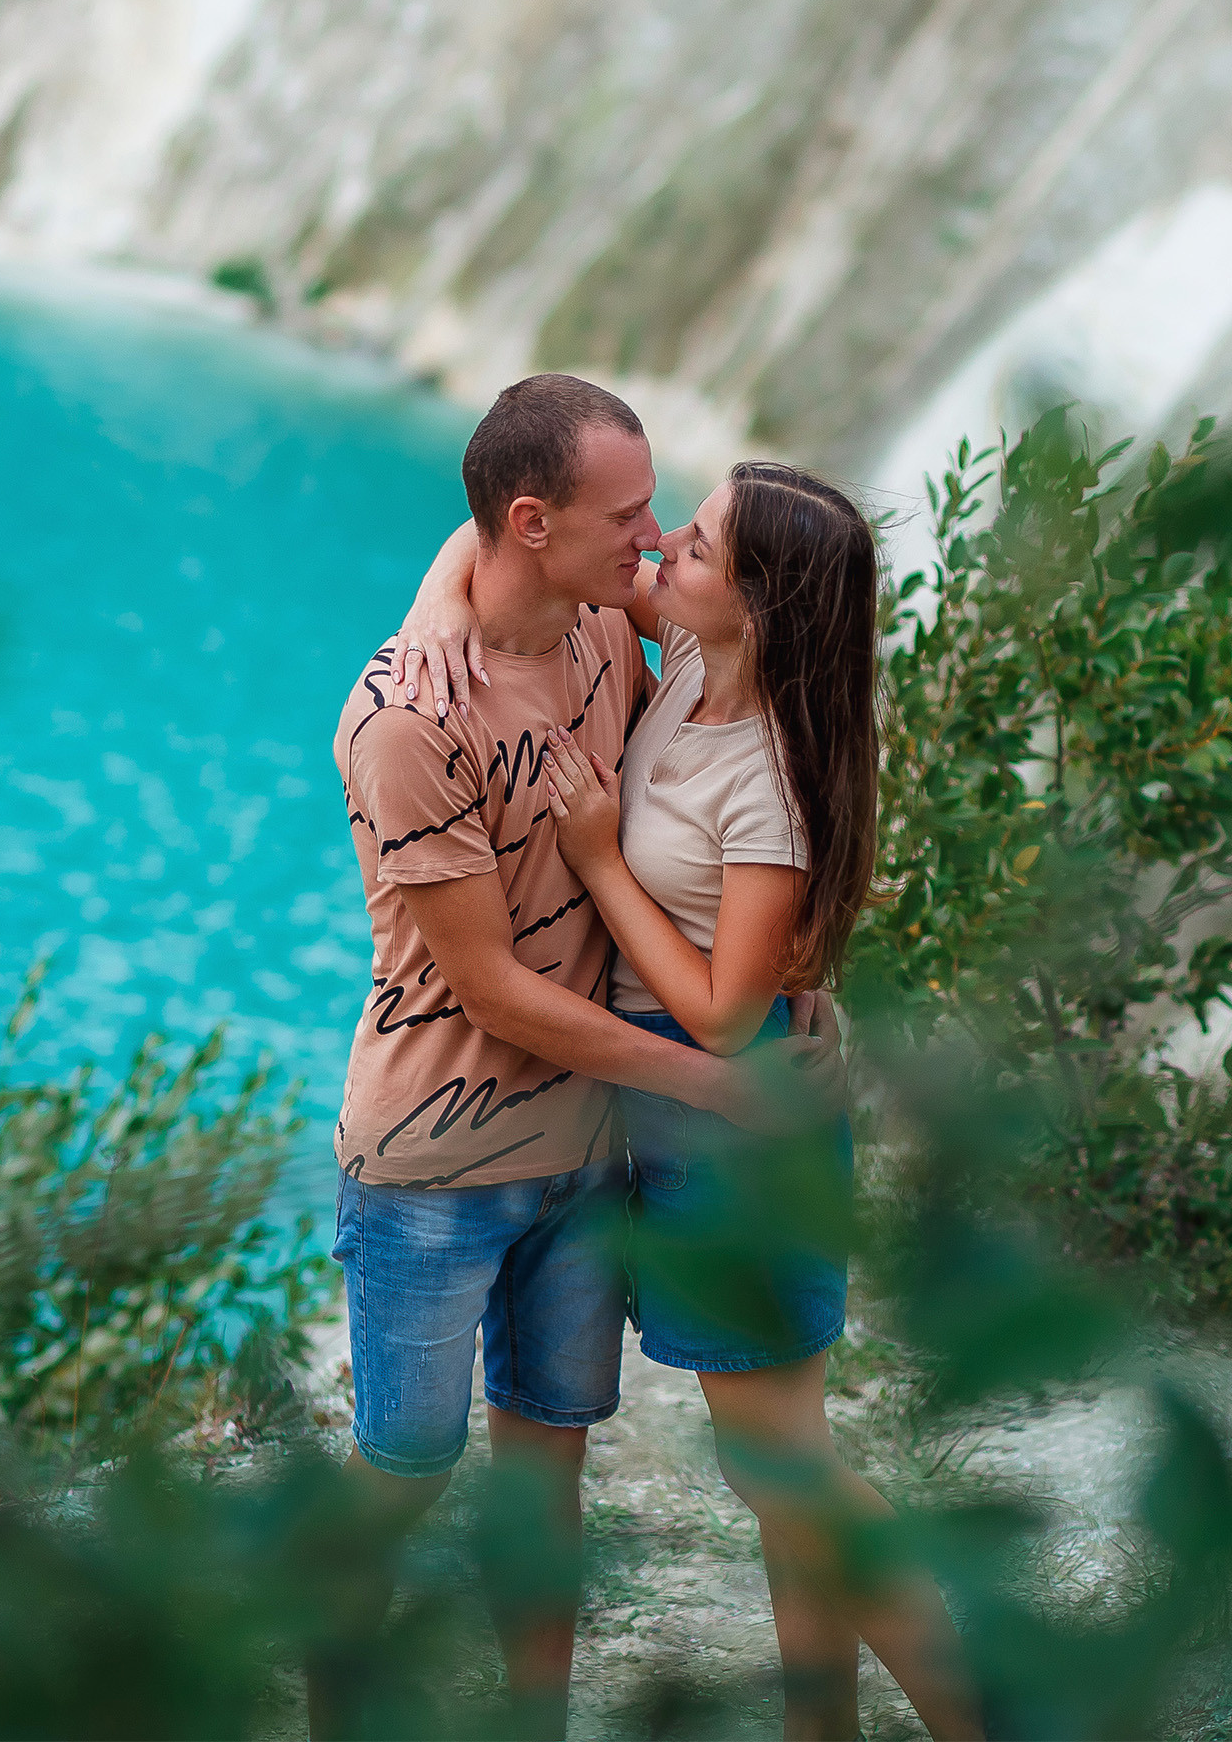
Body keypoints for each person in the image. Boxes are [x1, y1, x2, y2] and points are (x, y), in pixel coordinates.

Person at [397, 461, 983, 1742]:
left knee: (785, 1466)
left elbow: (721, 1010)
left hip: (730, 1114)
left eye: (700, 544)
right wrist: (438, 610)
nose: (663, 546)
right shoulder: (693, 663)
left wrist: (601, 859)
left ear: (757, 608)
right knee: (780, 1472)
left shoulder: (763, 774)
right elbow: (507, 535)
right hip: (677, 1116)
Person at [318, 376, 846, 1741]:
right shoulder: (406, 719)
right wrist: (715, 1078)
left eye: (664, 516)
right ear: (541, 522)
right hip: (436, 1166)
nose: (656, 539)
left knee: (546, 1471)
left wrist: (789, 980)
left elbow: (729, 804)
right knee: (405, 1467)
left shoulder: (614, 632)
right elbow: (493, 988)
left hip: (583, 1158)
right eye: (632, 517)